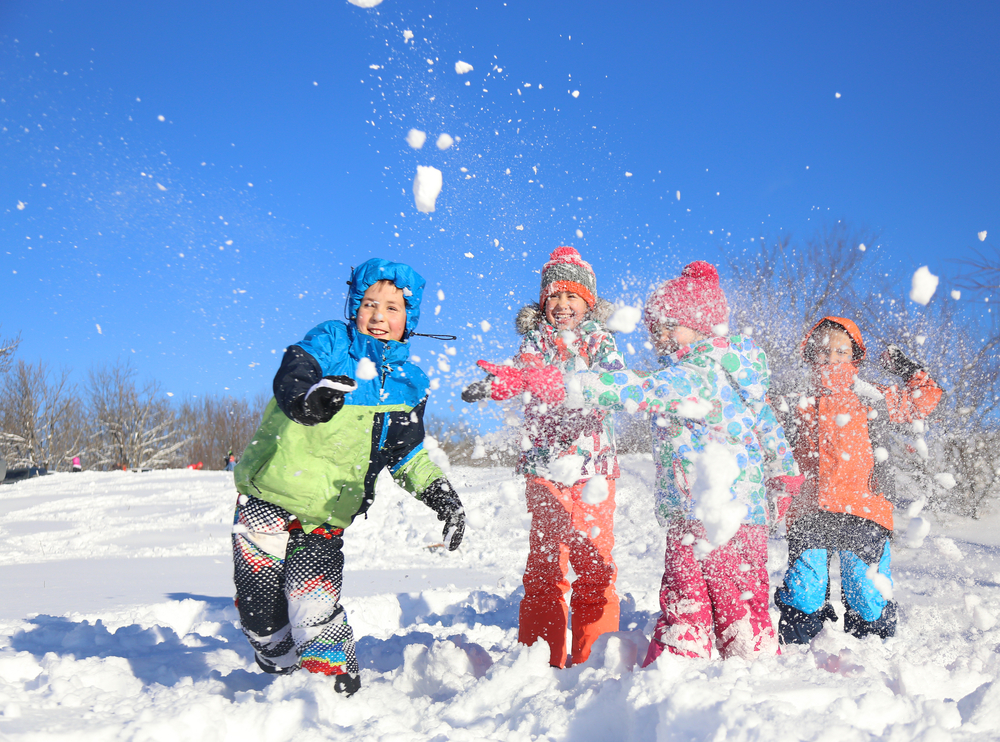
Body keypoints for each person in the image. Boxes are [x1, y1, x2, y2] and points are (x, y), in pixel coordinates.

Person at [232, 258, 465, 696]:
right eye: (369, 304)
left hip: (326, 515)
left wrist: (442, 497)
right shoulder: (331, 341)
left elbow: (405, 454)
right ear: (354, 307)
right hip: (268, 495)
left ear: (409, 319)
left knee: (314, 609)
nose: (378, 316)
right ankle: (278, 669)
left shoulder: (409, 383)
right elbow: (294, 372)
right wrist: (308, 400)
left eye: (392, 308)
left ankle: (334, 689)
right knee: (261, 613)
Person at [570, 261, 797, 663]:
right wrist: (784, 475)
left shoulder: (694, 373)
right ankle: (744, 667)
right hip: (735, 516)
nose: (658, 337)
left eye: (668, 326)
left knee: (691, 599)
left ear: (700, 326)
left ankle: (682, 667)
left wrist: (567, 384)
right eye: (654, 328)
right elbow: (770, 428)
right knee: (735, 601)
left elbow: (634, 389)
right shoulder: (735, 377)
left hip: (706, 514)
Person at [462, 246, 625, 668]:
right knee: (545, 563)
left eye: (572, 296)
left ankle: (594, 657)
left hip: (592, 469)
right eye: (554, 295)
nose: (562, 304)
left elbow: (615, 383)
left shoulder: (599, 340)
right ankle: (538, 658)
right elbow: (523, 373)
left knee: (594, 561)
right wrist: (501, 383)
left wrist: (571, 385)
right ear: (542, 303)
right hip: (544, 468)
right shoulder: (533, 341)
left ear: (588, 303)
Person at [773, 317, 942, 644]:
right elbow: (754, 415)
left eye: (841, 351)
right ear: (810, 354)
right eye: (824, 350)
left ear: (855, 357)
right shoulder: (797, 401)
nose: (832, 357)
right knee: (803, 592)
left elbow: (925, 398)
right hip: (810, 509)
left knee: (866, 593)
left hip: (863, 508)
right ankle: (796, 656)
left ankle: (873, 654)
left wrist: (906, 369)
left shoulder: (873, 397)